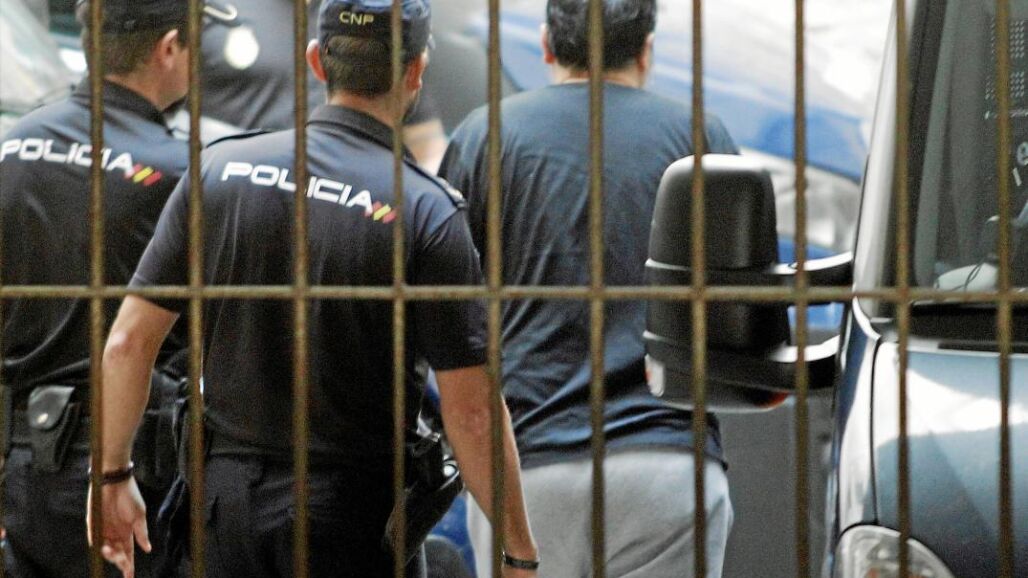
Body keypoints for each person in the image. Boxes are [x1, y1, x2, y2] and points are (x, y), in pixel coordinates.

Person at [88, 1, 539, 577]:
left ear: (316, 62)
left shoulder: (219, 171)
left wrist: (111, 475)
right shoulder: (426, 211)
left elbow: (128, 342)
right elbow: (472, 413)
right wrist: (517, 550)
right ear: (416, 71)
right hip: (347, 520)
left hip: (223, 510)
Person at [437, 0, 738, 576]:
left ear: (546, 45)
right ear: (646, 51)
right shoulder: (699, 135)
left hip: (524, 473)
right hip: (668, 466)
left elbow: (446, 310)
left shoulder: (485, 135)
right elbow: (737, 312)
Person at [0, 1, 232, 576]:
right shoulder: (182, 172)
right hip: (126, 468)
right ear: (169, 48)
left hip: (19, 461)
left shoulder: (12, 146)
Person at [200, 0, 448, 170]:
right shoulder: (213, 9)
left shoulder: (371, 14)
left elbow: (425, 142)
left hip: (351, 205)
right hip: (236, 196)